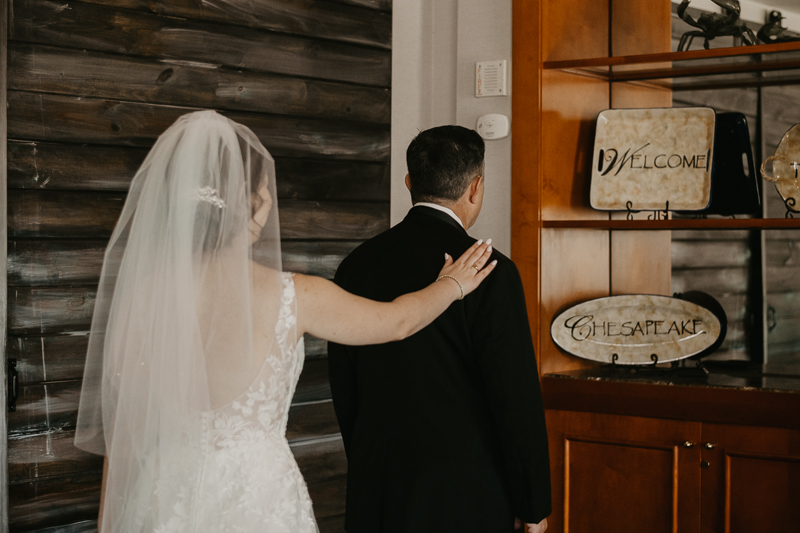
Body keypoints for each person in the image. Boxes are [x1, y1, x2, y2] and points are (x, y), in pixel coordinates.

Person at [74, 111, 496, 533]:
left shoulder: (144, 297)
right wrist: (453, 284)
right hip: (255, 499)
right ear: (251, 204)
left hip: (164, 494)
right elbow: (398, 321)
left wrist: (107, 524)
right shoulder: (296, 295)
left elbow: (124, 432)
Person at [328, 125, 551, 533]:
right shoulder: (489, 270)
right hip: (464, 490)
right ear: (476, 187)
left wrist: (366, 461)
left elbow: (344, 384)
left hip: (377, 485)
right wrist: (532, 501)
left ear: (410, 182)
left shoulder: (356, 265)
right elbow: (513, 393)